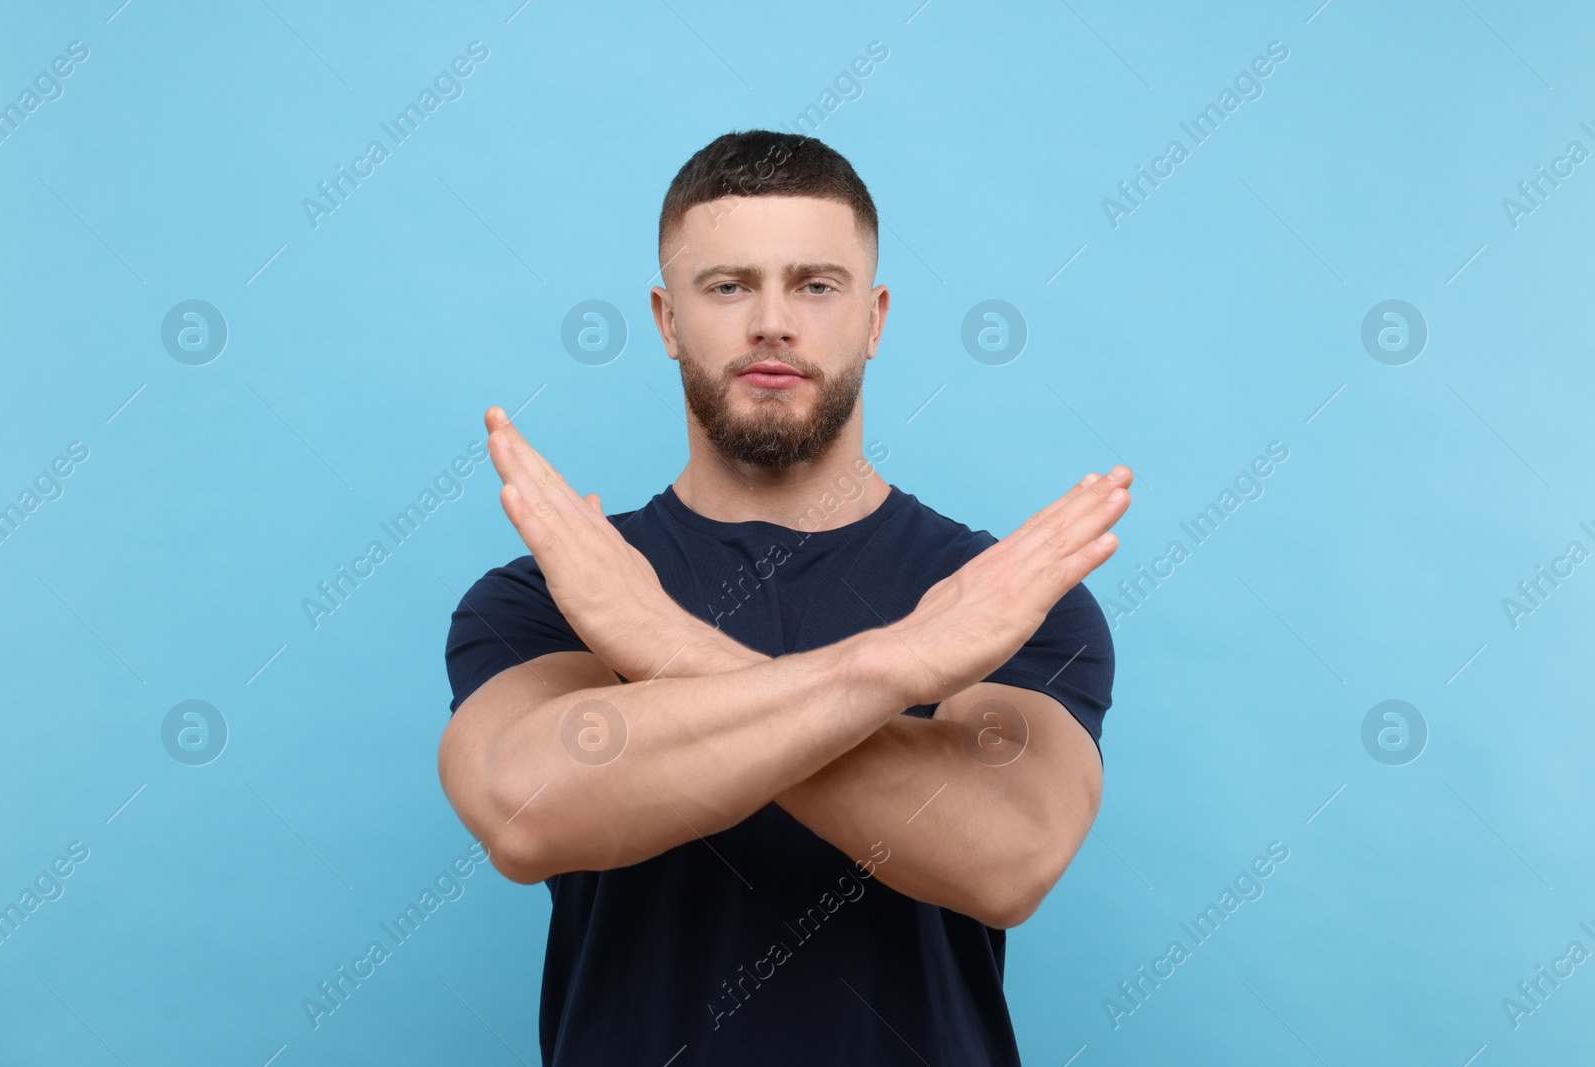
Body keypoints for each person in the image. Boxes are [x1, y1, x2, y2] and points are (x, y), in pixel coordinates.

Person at [439, 129, 1133, 1066]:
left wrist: (660, 645)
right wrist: (891, 668)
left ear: (876, 317)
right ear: (666, 319)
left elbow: (1006, 855)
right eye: (727, 286)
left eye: (816, 284)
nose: (772, 322)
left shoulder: (1002, 596)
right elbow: (525, 813)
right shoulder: (556, 591)